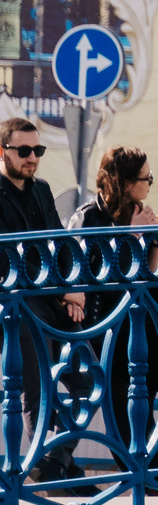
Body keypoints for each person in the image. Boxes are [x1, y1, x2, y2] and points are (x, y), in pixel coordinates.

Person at [0, 117, 83, 484]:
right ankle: (46, 474)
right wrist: (63, 290)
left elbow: (61, 242)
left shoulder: (42, 188)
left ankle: (53, 462)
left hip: (52, 303)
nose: (32, 157)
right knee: (37, 395)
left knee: (88, 381)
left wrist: (74, 287)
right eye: (23, 150)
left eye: (38, 150)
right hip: (16, 307)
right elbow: (7, 260)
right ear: (2, 151)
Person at [72, 147, 158, 479]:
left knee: (144, 410)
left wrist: (153, 240)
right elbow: (90, 273)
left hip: (143, 323)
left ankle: (152, 484)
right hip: (108, 329)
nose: (150, 183)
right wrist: (132, 235)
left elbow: (149, 272)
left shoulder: (138, 212)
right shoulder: (88, 218)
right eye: (146, 178)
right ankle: (146, 482)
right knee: (121, 410)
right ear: (125, 183)